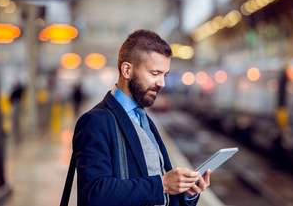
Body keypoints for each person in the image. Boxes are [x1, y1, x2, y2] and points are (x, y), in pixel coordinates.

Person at [73, 30, 211, 206]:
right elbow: (93, 194)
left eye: (164, 75)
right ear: (127, 70)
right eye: (155, 73)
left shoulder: (145, 120)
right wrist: (162, 184)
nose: (162, 83)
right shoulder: (95, 122)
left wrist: (186, 193)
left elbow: (161, 191)